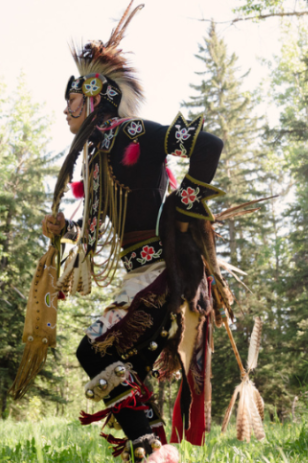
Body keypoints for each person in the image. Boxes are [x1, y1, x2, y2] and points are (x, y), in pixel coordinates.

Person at [42, 3, 226, 461]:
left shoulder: (131, 132)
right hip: (143, 276)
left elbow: (208, 146)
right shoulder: (101, 155)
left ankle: (147, 447)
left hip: (161, 273)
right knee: (129, 376)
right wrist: (65, 227)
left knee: (93, 351)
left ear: (94, 94)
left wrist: (181, 211)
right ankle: (153, 450)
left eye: (71, 98)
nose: (64, 109)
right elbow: (98, 226)